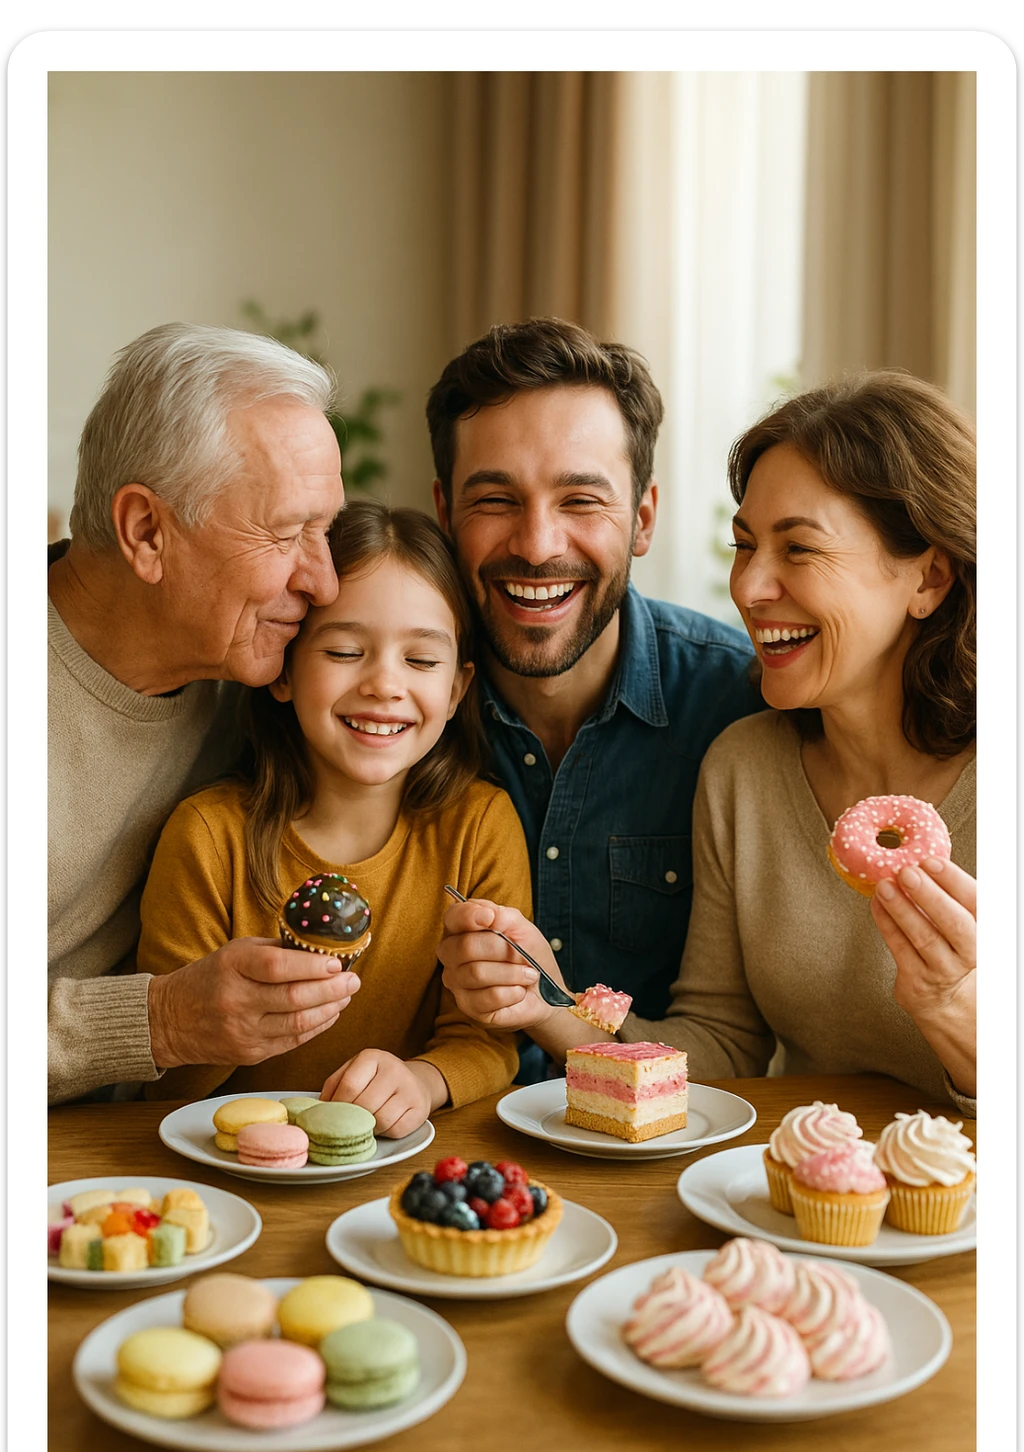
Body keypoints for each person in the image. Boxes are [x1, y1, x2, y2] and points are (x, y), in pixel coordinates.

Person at [438, 370, 977, 1114]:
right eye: (745, 544)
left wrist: (957, 1010)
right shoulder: (745, 766)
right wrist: (542, 1003)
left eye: (799, 549)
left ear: (930, 577)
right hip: (793, 1200)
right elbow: (722, 1047)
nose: (750, 588)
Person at [426, 317, 763, 1080]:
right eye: (495, 500)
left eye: (581, 500)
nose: (539, 543)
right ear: (445, 513)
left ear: (642, 518)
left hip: (660, 1160)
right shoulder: (382, 706)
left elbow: (736, 1049)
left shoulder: (740, 709)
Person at [137, 502, 532, 1135]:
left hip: (394, 1164)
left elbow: (487, 1039)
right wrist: (220, 1026)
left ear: (457, 691)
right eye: (346, 650)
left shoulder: (478, 826)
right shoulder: (208, 838)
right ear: (284, 669)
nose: (384, 684)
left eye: (422, 662)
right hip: (229, 1165)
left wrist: (424, 1082)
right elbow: (158, 1077)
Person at [48, 321, 360, 1106]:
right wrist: (160, 1021)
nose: (323, 583)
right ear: (146, 531)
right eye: (288, 532)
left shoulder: (259, 678)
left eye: (325, 532)